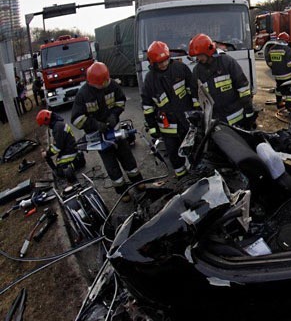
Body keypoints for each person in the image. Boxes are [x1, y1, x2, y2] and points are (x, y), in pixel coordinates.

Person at [71, 62, 144, 202]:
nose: (104, 86)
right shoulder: (83, 94)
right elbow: (76, 119)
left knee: (127, 156)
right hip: (99, 137)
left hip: (115, 130)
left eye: (106, 82)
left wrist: (114, 115)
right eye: (101, 84)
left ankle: (138, 182)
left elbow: (121, 101)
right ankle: (123, 192)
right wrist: (95, 124)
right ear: (92, 83)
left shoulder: (111, 85)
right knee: (111, 165)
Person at [141, 41, 199, 179]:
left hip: (187, 121)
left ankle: (198, 175)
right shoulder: (150, 80)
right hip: (167, 127)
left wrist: (197, 110)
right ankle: (182, 178)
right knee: (173, 154)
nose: (163, 64)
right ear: (152, 62)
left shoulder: (181, 68)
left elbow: (194, 90)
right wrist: (153, 127)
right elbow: (147, 105)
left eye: (165, 60)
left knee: (194, 150)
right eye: (159, 62)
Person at [189, 33, 256, 128]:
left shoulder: (227, 62)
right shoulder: (197, 71)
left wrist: (248, 112)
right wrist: (200, 114)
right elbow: (196, 96)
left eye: (200, 55)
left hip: (237, 118)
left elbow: (243, 87)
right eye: (196, 56)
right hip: (216, 122)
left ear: (208, 51)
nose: (198, 59)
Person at [36, 109, 85, 183]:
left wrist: (47, 153)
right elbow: (58, 143)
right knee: (59, 163)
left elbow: (57, 147)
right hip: (70, 149)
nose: (46, 126)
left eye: (44, 124)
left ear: (46, 120)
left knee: (60, 172)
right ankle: (78, 159)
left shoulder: (57, 128)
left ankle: (74, 163)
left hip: (69, 151)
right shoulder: (58, 124)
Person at [265, 32, 291, 116]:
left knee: (278, 89)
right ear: (286, 40)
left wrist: (275, 68)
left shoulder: (271, 49)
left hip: (277, 75)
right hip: (287, 75)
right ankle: (289, 106)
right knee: (289, 90)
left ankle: (279, 103)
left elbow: (269, 62)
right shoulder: (287, 50)